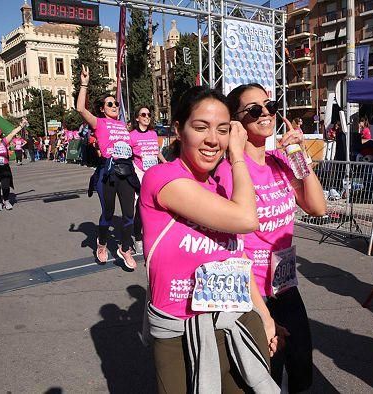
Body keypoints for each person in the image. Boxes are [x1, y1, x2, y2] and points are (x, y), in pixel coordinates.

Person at [141, 86, 283, 393]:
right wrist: (238, 156)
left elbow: (238, 260)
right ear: (178, 130)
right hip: (178, 331)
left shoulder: (220, 188)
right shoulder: (162, 178)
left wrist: (265, 315)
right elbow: (247, 219)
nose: (212, 140)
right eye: (200, 127)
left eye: (222, 130)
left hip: (236, 320)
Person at [214, 83, 327, 392]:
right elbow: (231, 247)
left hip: (285, 285)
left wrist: (299, 155)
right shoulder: (231, 170)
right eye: (254, 109)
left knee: (302, 365)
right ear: (237, 121)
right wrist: (262, 314)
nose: (265, 113)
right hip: (254, 292)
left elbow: (317, 207)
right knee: (268, 376)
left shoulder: (280, 161)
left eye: (270, 105)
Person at [76, 65, 139, 269]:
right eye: (110, 103)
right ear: (102, 109)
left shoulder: (123, 125)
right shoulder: (99, 122)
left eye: (116, 103)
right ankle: (102, 243)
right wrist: (84, 84)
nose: (114, 106)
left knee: (129, 214)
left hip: (126, 172)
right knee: (109, 213)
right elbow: (80, 109)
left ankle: (125, 248)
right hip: (108, 173)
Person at [129, 106, 167, 255]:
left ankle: (153, 236)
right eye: (143, 114)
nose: (146, 117)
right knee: (139, 207)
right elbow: (127, 154)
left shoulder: (153, 133)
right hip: (138, 173)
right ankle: (138, 238)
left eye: (149, 114)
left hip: (153, 173)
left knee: (156, 205)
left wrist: (165, 162)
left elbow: (156, 151)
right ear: (137, 118)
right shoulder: (131, 135)